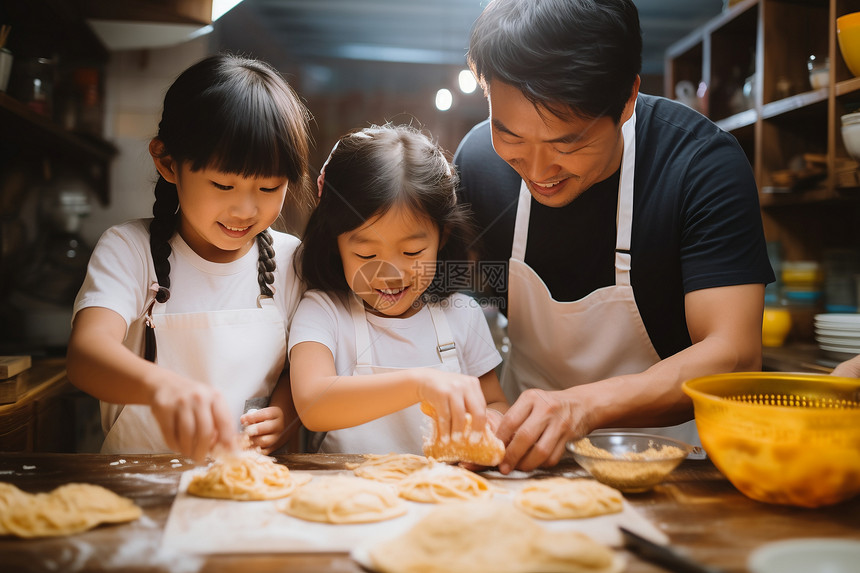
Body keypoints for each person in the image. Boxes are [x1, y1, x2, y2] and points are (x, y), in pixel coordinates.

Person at [454, 0, 775, 474]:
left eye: (569, 143)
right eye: (513, 138)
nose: (538, 172)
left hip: (670, 467)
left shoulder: (700, 166)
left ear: (627, 99)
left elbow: (733, 354)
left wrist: (580, 407)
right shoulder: (479, 162)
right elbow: (440, 289)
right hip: (521, 461)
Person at [66, 54, 313, 461]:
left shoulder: (291, 261)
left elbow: (301, 366)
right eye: (222, 184)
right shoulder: (129, 249)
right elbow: (86, 355)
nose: (246, 210)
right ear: (167, 163)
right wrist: (164, 388)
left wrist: (285, 413)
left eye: (269, 188)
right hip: (136, 484)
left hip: (243, 485)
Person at [289, 124, 508, 455]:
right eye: (366, 254)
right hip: (348, 498)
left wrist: (490, 422)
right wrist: (419, 385)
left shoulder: (461, 315)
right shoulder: (323, 311)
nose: (390, 274)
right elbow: (312, 403)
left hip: (440, 495)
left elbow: (495, 402)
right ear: (335, 243)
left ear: (442, 237)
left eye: (411, 252)